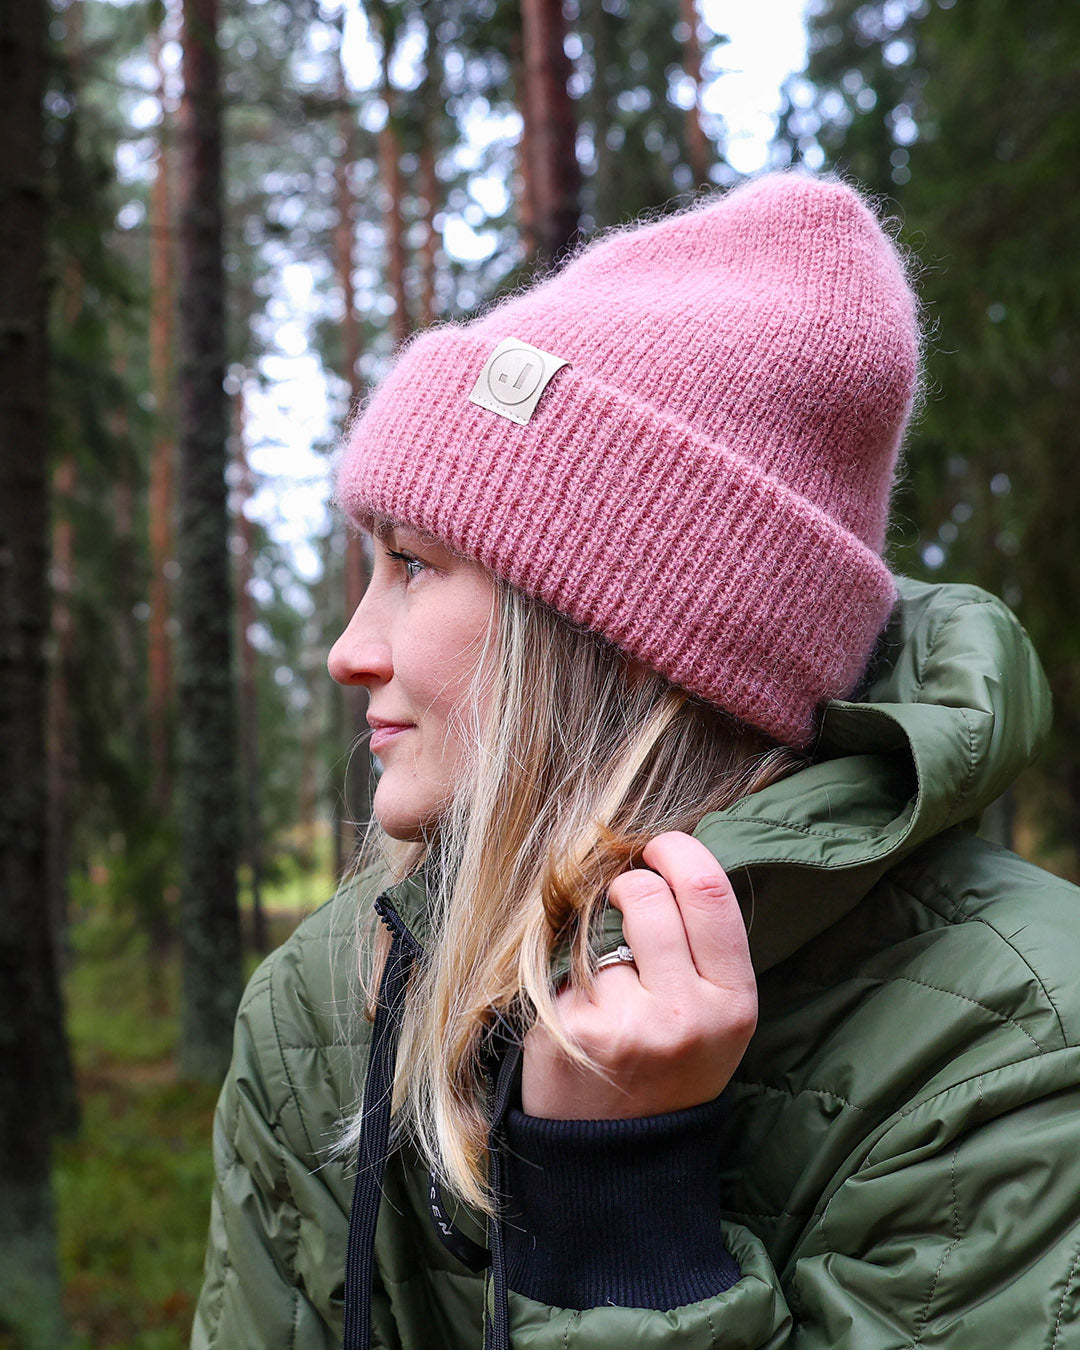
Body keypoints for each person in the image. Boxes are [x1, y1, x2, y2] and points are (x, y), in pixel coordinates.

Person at [192, 172, 1080, 1350]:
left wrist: (622, 1218)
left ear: (612, 641)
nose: (350, 652)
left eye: (413, 563)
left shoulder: (1017, 1048)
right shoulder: (323, 1003)